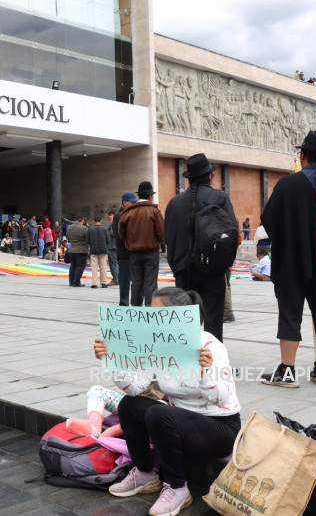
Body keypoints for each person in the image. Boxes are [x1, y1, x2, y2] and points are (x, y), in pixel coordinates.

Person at [96, 287, 240, 516]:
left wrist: (204, 374)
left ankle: (177, 487)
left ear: (177, 317)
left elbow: (223, 398)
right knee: (129, 405)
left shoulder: (210, 345)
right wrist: (113, 359)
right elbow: (135, 387)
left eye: (156, 315)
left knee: (158, 414)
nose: (150, 320)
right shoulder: (158, 345)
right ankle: (145, 474)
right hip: (179, 422)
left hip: (219, 427)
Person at [261, 131, 316, 388]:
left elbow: (269, 220)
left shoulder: (287, 185)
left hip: (292, 263)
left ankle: (287, 372)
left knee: (290, 315)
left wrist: (288, 239)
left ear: (302, 156)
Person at [164, 154, 237, 340]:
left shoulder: (174, 203)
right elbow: (231, 234)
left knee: (186, 319)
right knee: (213, 317)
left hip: (183, 270)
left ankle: (187, 353)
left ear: (189, 178)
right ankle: (212, 354)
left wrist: (176, 267)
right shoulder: (219, 197)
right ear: (210, 177)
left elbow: (169, 238)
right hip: (212, 269)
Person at [119, 181, 164, 307]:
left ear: (138, 195)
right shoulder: (154, 211)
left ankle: (136, 307)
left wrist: (130, 242)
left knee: (136, 281)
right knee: (150, 282)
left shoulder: (128, 212)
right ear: (150, 196)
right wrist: (157, 241)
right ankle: (150, 307)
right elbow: (161, 232)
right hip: (151, 251)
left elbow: (121, 234)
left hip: (134, 252)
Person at [113, 192, 137, 305]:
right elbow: (119, 237)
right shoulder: (119, 216)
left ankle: (136, 303)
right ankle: (124, 304)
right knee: (124, 281)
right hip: (124, 254)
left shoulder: (135, 214)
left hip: (135, 254)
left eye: (134, 202)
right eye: (131, 202)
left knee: (136, 281)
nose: (133, 204)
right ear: (124, 202)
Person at [86, 216, 110, 288]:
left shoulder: (90, 230)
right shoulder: (105, 229)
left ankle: (94, 283)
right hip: (103, 250)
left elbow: (87, 240)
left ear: (93, 221)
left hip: (93, 250)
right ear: (101, 221)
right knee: (103, 267)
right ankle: (104, 283)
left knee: (94, 267)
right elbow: (108, 240)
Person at [66, 216, 89, 287]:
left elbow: (68, 237)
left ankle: (71, 281)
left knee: (73, 265)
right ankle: (76, 282)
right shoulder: (84, 228)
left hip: (72, 249)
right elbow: (87, 238)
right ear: (81, 220)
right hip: (81, 249)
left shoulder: (69, 227)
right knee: (80, 266)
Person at [105, 209, 119, 286]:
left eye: (108, 217)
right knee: (116, 263)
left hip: (112, 246)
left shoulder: (113, 222)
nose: (107, 219)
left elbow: (113, 233)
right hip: (114, 245)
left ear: (112, 215)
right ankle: (117, 278)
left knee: (113, 263)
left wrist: (105, 231)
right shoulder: (115, 221)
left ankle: (115, 279)